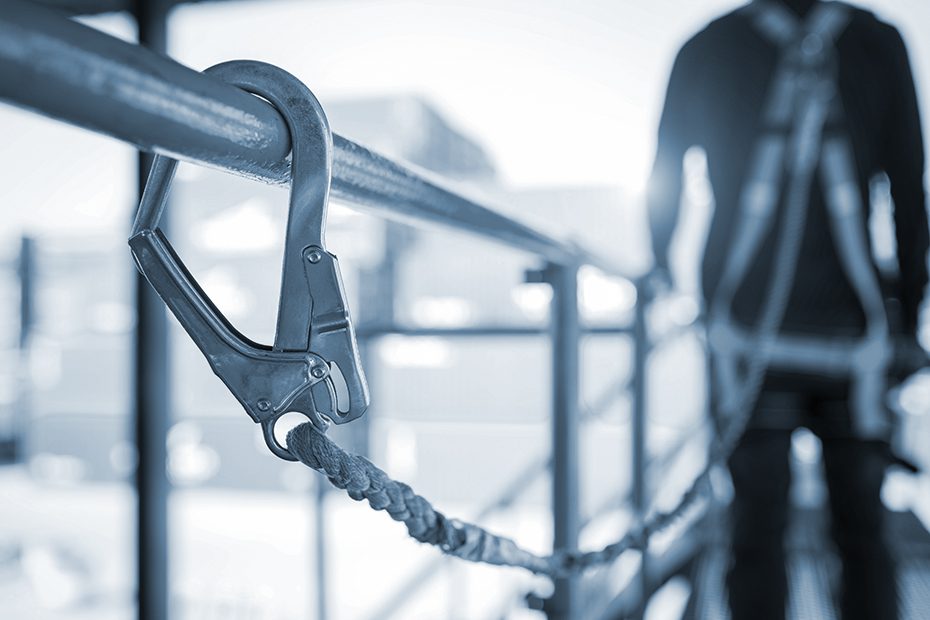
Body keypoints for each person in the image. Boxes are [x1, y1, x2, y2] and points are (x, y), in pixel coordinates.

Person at [646, 0, 928, 618]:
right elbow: (910, 189)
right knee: (862, 532)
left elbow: (665, 175)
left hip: (744, 337)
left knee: (755, 530)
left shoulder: (707, 47)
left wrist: (662, 267)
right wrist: (909, 319)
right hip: (854, 339)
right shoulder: (877, 43)